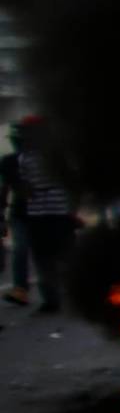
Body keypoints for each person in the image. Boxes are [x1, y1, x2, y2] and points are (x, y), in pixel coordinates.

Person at [7, 116, 74, 313]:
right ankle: (52, 299)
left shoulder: (53, 155)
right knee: (45, 257)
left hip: (54, 213)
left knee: (59, 256)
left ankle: (67, 295)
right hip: (40, 214)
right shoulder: (25, 157)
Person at [2, 118, 31, 306]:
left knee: (45, 253)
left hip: (46, 213)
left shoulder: (45, 159)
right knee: (20, 250)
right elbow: (5, 187)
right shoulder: (9, 161)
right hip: (21, 212)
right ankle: (20, 289)